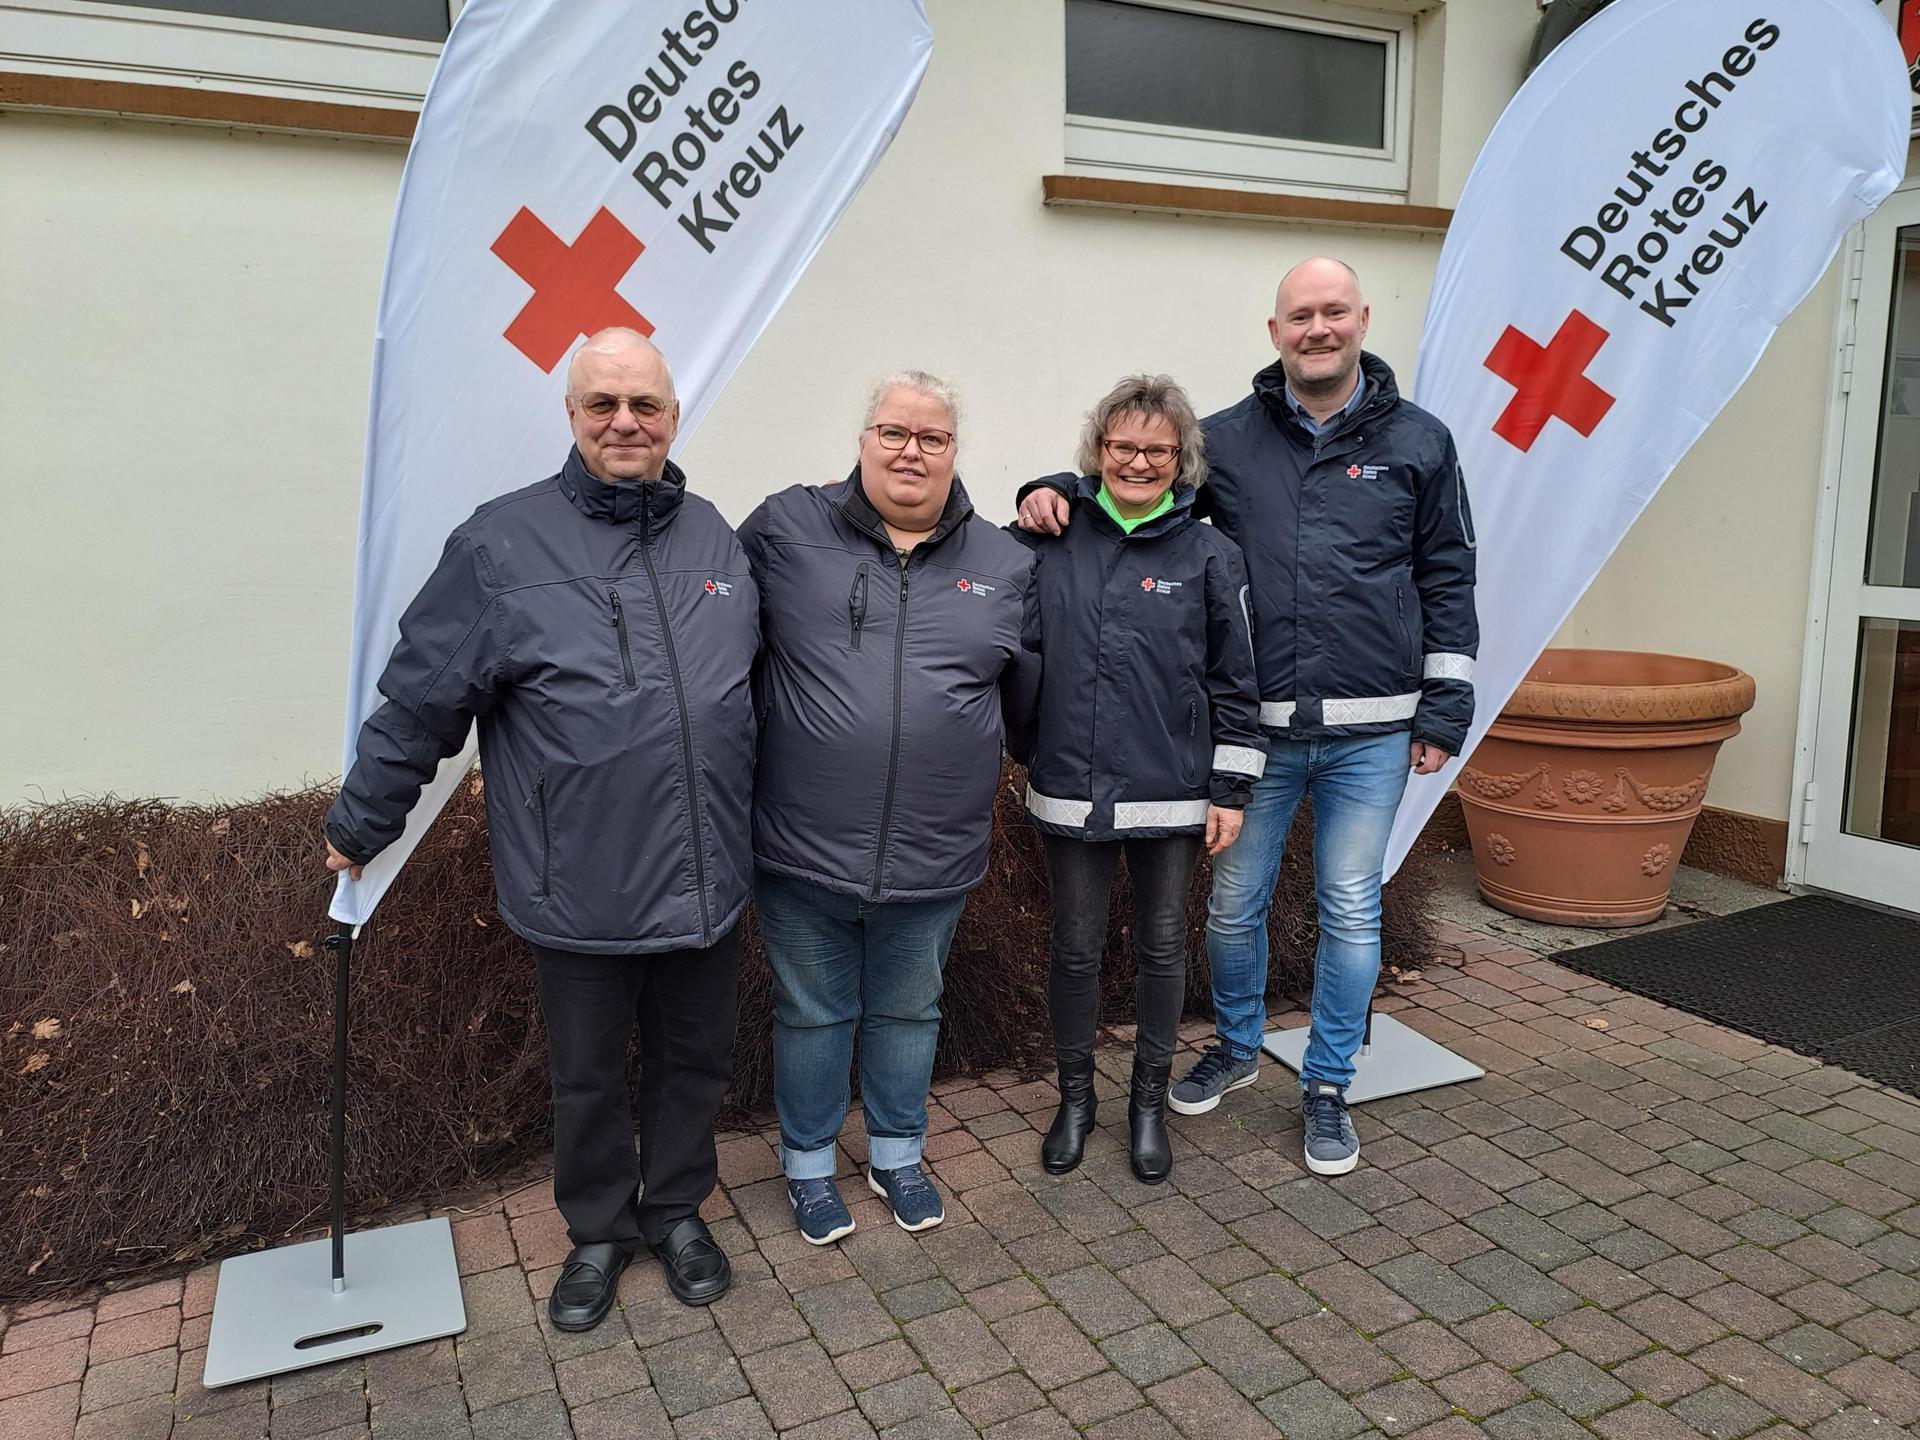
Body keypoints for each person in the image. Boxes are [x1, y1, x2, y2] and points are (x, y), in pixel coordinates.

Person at [322, 328, 758, 1327]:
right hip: (580, 885)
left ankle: (678, 1211)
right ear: (571, 417)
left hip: (706, 878)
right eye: (602, 404)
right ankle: (601, 1232)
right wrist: (361, 820)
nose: (624, 422)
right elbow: (421, 699)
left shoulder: (714, 542)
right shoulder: (499, 546)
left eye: (643, 405)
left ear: (672, 416)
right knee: (590, 1080)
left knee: (696, 1062)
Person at [1017, 260, 1478, 1177]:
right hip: (1261, 729)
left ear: (1361, 320)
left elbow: (1448, 573)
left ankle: (1328, 1084)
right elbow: (1144, 506)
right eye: (1299, 315)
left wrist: (1446, 703)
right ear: (1275, 331)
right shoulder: (1224, 440)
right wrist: (1053, 488)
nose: (1317, 328)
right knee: (1232, 908)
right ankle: (1232, 1045)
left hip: (1375, 726)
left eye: (1333, 312)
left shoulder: (1422, 443)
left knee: (1349, 905)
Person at [737, 370, 1039, 1245]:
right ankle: (806, 1169)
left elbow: (1029, 694)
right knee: (812, 1012)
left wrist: (1061, 490)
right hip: (801, 846)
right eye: (893, 432)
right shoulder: (785, 528)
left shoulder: (1006, 561)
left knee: (911, 1011)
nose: (912, 450)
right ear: (863, 439)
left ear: (955, 450)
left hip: (935, 848)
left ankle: (898, 1154)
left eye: (932, 437)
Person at [1010, 374, 1264, 1185]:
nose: (1139, 461)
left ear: (1181, 459)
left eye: (1157, 449)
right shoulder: (1047, 537)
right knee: (1076, 949)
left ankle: (1147, 1105)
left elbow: (1236, 679)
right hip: (1071, 782)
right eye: (1122, 446)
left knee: (1161, 948)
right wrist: (1038, 489)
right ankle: (1076, 1102)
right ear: (1096, 450)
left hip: (1175, 787)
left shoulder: (1211, 554)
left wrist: (1231, 788)